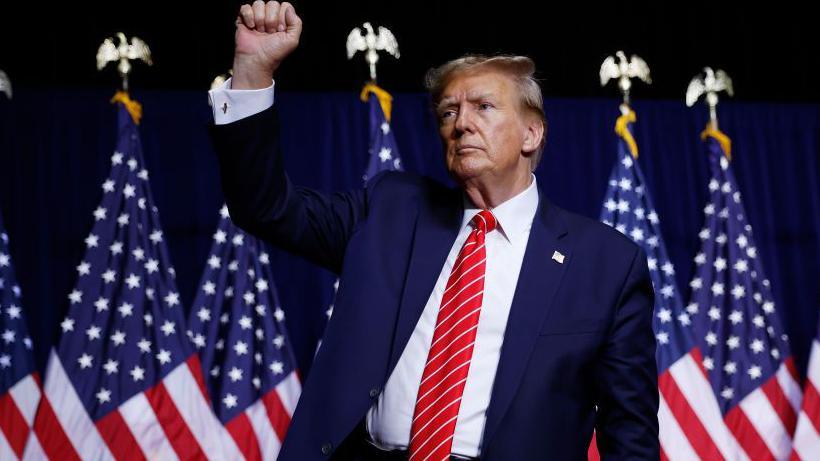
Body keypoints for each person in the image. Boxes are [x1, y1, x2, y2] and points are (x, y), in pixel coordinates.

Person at [209, 2, 659, 459]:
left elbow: (629, 432)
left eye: (483, 107)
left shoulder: (606, 264)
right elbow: (264, 207)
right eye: (448, 113)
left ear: (531, 134)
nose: (461, 124)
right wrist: (251, 73)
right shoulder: (390, 210)